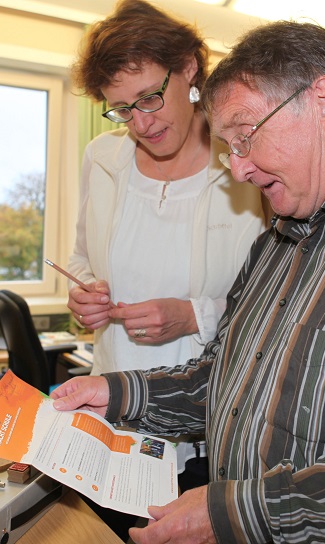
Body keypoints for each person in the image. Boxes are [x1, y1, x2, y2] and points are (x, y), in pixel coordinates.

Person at [53, 20, 325, 544]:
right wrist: (116, 395)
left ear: (323, 102)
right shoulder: (279, 239)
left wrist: (236, 515)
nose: (237, 171)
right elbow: (225, 378)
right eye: (227, 147)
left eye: (245, 138)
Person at [66, 0, 266, 495]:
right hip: (110, 422)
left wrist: (194, 315)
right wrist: (84, 297)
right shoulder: (104, 158)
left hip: (206, 437)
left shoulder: (245, 161)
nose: (141, 123)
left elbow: (278, 304)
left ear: (188, 68)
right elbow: (80, 260)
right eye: (123, 108)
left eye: (150, 97)